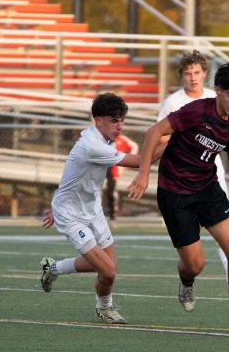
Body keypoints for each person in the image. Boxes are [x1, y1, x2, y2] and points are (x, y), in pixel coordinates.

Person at [127, 61, 229, 332]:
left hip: (207, 190)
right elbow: (154, 132)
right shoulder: (195, 112)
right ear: (217, 90)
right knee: (196, 264)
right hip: (175, 193)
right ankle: (187, 280)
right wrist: (143, 174)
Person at [39, 92, 161, 325]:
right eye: (114, 120)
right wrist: (168, 142)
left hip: (91, 208)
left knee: (109, 265)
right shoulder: (92, 146)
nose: (120, 126)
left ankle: (53, 268)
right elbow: (139, 161)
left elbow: (71, 174)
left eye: (122, 120)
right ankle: (104, 308)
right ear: (98, 121)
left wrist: (57, 200)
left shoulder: (98, 140)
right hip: (72, 216)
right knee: (108, 271)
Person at [157, 50, 229, 277]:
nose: (192, 77)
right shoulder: (173, 102)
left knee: (226, 237)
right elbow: (159, 137)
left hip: (213, 177)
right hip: (182, 182)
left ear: (205, 73)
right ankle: (187, 279)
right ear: (182, 76)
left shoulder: (214, 98)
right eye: (188, 73)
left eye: (196, 72)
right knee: (193, 257)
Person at [103, 133, 139, 226]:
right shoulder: (101, 137)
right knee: (97, 191)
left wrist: (127, 162)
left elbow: (134, 146)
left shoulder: (121, 139)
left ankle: (112, 216)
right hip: (100, 167)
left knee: (111, 192)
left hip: (113, 169)